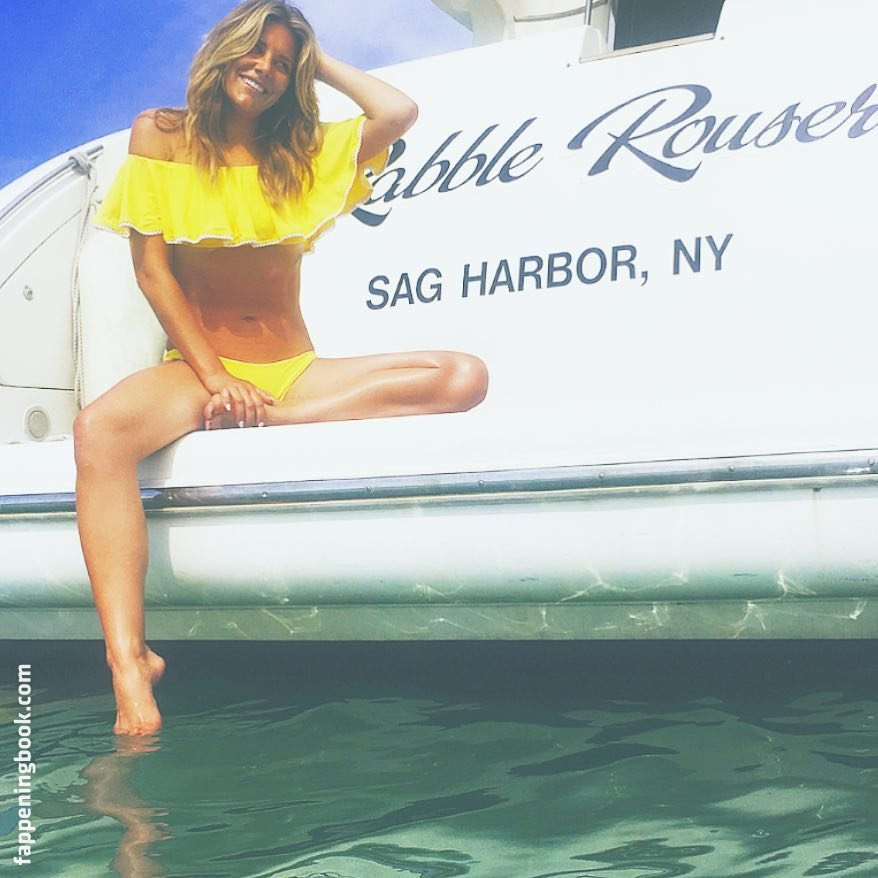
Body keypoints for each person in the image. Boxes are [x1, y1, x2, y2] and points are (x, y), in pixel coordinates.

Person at [74, 0, 488, 736]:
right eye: (254, 51)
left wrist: (313, 54)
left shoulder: (301, 150)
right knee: (98, 433)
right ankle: (129, 662)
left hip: (292, 371)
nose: (264, 68)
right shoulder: (161, 134)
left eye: (281, 62)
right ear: (223, 50)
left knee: (464, 376)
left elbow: (398, 111)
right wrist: (217, 379)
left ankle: (278, 420)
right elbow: (153, 275)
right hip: (202, 369)